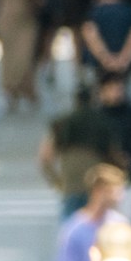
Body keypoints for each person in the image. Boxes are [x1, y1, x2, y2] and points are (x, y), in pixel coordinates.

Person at [38, 88, 122, 218]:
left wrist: (56, 180)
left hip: (71, 181)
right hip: (95, 181)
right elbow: (115, 155)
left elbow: (45, 157)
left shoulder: (63, 124)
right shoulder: (102, 123)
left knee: (71, 225)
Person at [53, 163, 128, 261]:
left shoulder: (120, 224)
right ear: (98, 191)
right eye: (112, 191)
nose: (120, 197)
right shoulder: (74, 229)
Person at [81, 0, 131, 85]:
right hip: (117, 65)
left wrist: (108, 59)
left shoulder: (129, 12)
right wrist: (122, 59)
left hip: (111, 64)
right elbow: (90, 33)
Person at [94, 73, 131, 182]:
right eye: (111, 88)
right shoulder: (95, 116)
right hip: (103, 171)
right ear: (102, 91)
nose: (116, 92)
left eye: (119, 88)